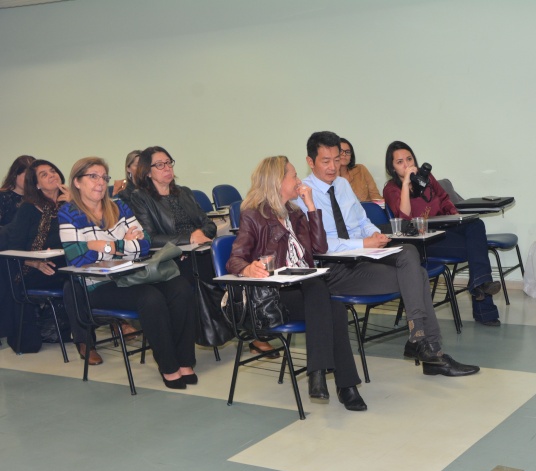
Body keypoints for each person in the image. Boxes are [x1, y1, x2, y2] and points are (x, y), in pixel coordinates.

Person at [296, 131, 480, 378]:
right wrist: (364, 243)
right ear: (310, 162)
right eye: (325, 161)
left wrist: (376, 236)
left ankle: (419, 339)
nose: (333, 167)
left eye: (337, 160)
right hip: (336, 268)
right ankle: (429, 351)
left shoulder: (342, 185)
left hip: (364, 258)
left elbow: (362, 220)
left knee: (409, 254)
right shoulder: (303, 195)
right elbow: (321, 245)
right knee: (420, 275)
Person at [226, 156, 367, 411]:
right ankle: (341, 385)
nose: (298, 180)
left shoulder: (296, 212)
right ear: (277, 181)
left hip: (306, 291)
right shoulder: (253, 216)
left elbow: (320, 247)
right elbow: (234, 260)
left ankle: (330, 378)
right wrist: (248, 267)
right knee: (321, 293)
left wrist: (311, 207)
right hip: (275, 296)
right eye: (292, 176)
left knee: (331, 305)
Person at [59, 156, 198, 389]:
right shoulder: (68, 213)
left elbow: (143, 245)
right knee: (150, 298)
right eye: (93, 176)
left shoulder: (119, 207)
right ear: (77, 182)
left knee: (181, 287)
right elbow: (77, 257)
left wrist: (102, 246)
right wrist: (120, 245)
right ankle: (169, 366)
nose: (100, 182)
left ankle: (185, 361)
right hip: (97, 285)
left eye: (104, 177)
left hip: (131, 276)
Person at [383, 141, 502, 326]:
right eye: (400, 162)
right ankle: (483, 302)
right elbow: (404, 218)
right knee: (476, 250)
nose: (406, 164)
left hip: (444, 229)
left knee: (476, 225)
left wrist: (454, 213)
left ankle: (480, 284)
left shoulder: (426, 177)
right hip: (422, 241)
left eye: (409, 159)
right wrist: (406, 184)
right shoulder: (391, 189)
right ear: (392, 167)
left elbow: (443, 198)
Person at [3, 159, 81, 356]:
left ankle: (88, 336)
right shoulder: (28, 209)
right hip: (35, 269)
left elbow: (88, 233)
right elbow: (14, 248)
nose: (52, 175)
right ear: (36, 184)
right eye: (44, 174)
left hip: (69, 263)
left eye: (53, 171)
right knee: (76, 281)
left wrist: (74, 204)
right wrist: (35, 262)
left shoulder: (72, 203)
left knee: (85, 277)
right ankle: (86, 338)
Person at [128, 146, 217, 281]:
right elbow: (150, 238)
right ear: (148, 172)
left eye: (169, 162)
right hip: (172, 256)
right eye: (159, 165)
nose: (167, 167)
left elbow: (209, 224)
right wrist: (189, 238)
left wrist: (200, 234)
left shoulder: (184, 192)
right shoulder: (140, 197)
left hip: (200, 249)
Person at [0, 155, 35, 339]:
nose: (30, 181)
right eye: (26, 175)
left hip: (28, 251)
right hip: (6, 252)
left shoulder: (36, 200)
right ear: (15, 175)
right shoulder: (3, 197)